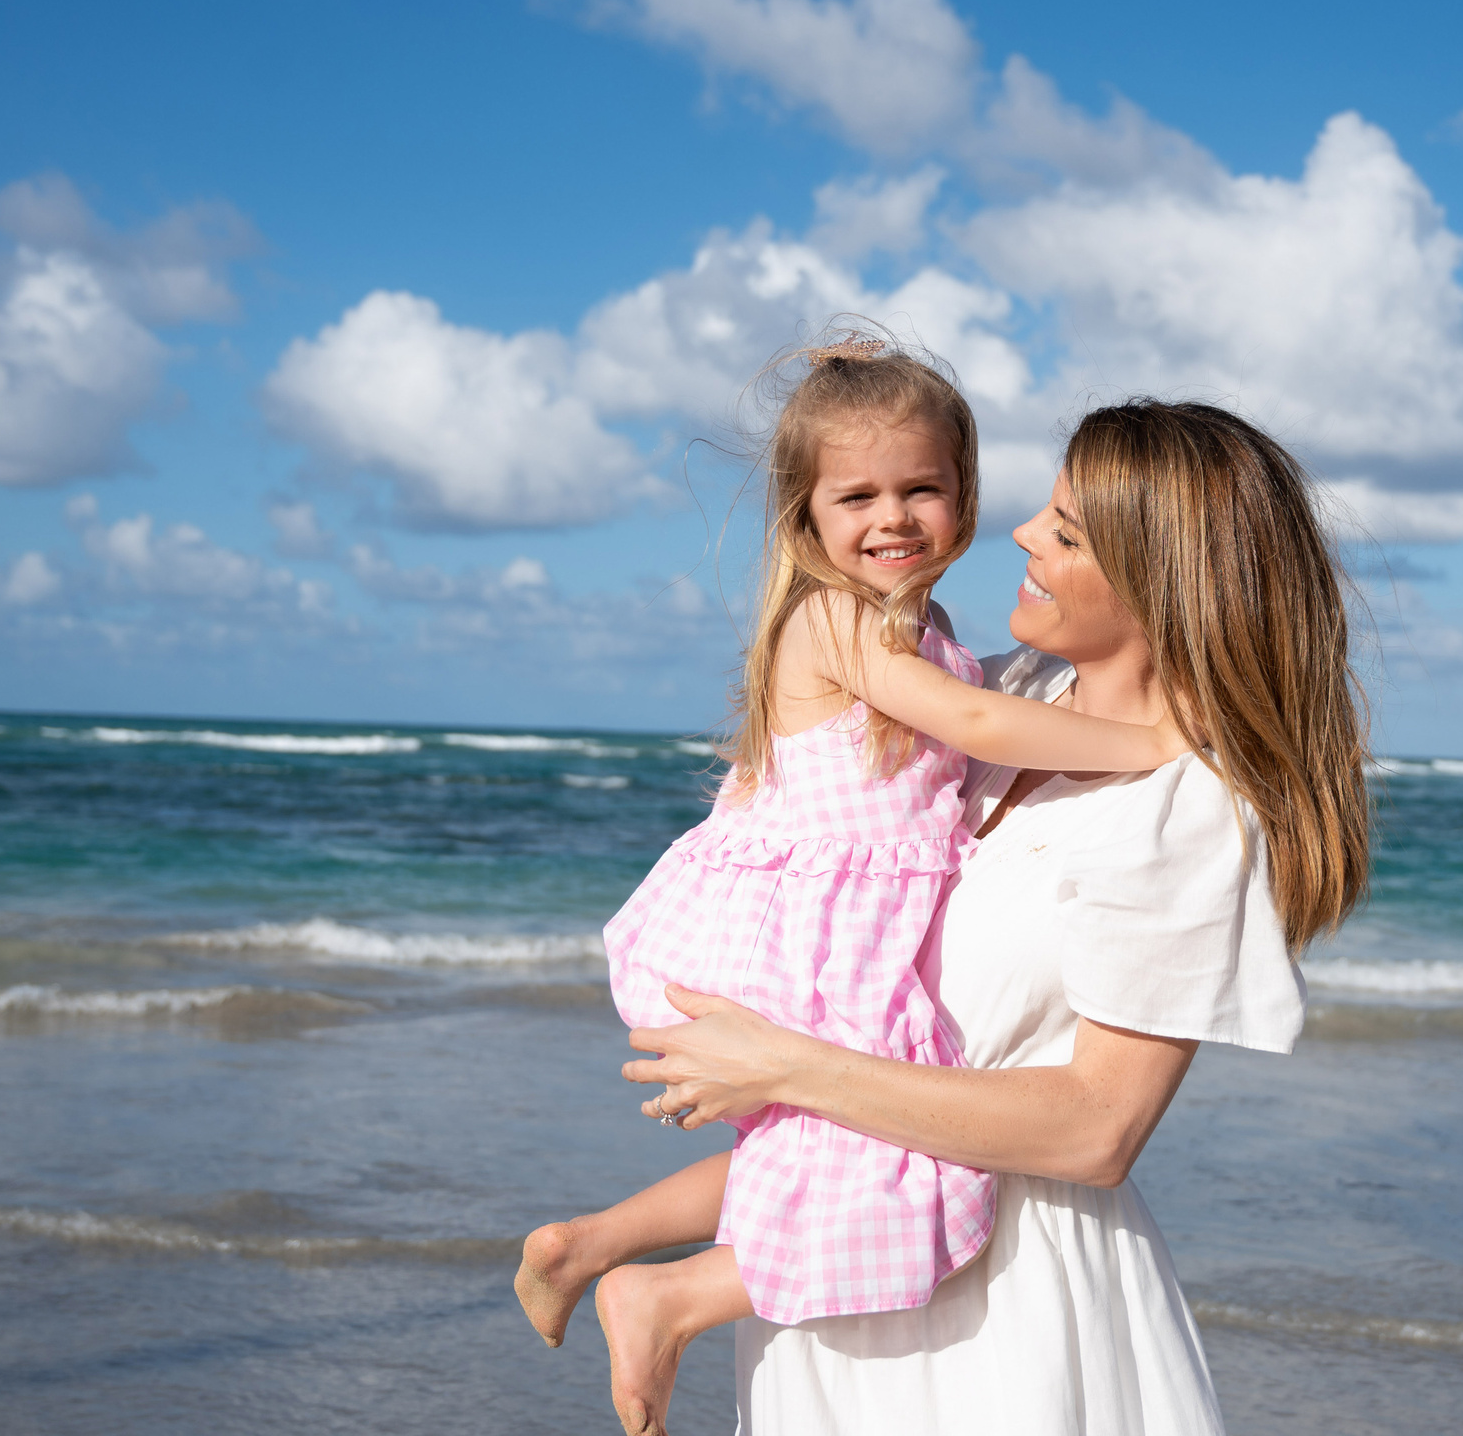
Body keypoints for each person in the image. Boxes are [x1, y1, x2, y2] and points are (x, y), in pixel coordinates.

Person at [599, 398, 1371, 1434]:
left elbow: (1098, 1129)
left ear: (1159, 576)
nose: (1020, 534)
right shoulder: (997, 697)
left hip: (1005, 1316)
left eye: (1066, 530)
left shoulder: (1190, 804)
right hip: (833, 1281)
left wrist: (783, 1066)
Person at [513, 336, 1192, 1435]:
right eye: (858, 495)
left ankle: (597, 1246)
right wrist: (1149, 741)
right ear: (806, 515)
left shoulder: (930, 632)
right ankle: (668, 1294)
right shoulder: (833, 618)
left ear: (966, 498)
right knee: (890, 1155)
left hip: (850, 919)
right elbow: (971, 727)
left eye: (921, 488)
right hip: (809, 927)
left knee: (813, 1147)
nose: (893, 517)